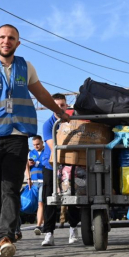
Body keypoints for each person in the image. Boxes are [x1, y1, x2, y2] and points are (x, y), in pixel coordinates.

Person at [0, 25, 71, 257]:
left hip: (17, 137)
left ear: (18, 43)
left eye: (11, 38)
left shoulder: (25, 67)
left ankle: (6, 236)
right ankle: (3, 239)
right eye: (2, 38)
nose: (6, 41)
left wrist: (58, 112)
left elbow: (40, 93)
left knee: (10, 188)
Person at [40, 93, 81, 246]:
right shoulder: (48, 124)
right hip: (50, 165)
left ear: (66, 106)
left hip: (69, 165)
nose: (59, 108)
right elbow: (54, 148)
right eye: (56, 105)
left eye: (62, 105)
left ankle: (73, 229)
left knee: (72, 197)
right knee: (50, 199)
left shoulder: (72, 121)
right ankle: (49, 233)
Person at [27, 136, 46, 231]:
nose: (36, 146)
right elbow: (26, 166)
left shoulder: (47, 151)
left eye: (38, 144)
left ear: (42, 143)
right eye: (34, 145)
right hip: (34, 182)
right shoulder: (31, 153)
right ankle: (42, 222)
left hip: (43, 181)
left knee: (41, 203)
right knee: (36, 204)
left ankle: (38, 225)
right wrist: (28, 178)